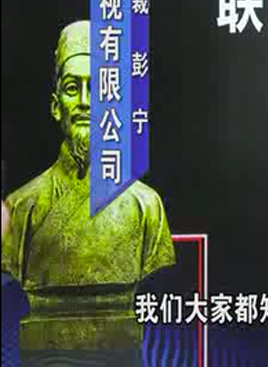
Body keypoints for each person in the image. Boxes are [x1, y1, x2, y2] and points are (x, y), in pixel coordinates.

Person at [1, 20, 176, 358]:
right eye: (72, 88)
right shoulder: (21, 207)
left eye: (96, 88)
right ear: (56, 106)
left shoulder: (146, 206)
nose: (84, 102)